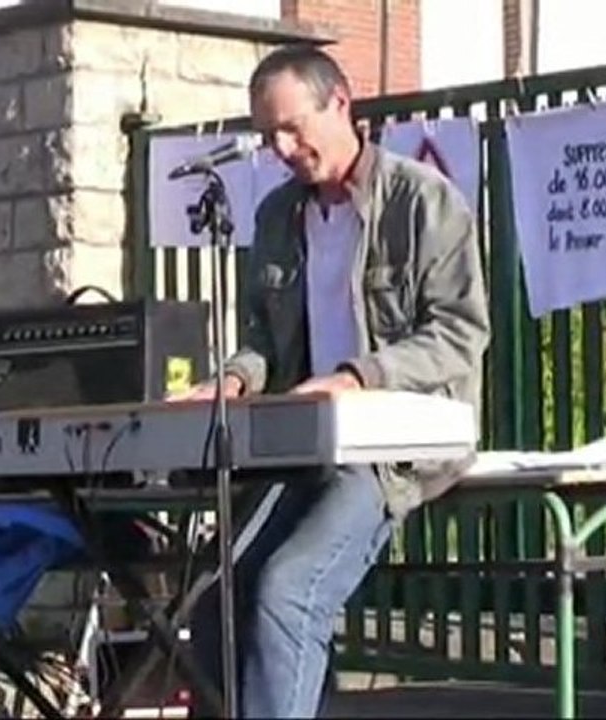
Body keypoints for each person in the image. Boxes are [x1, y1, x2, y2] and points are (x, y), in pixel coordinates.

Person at [168, 44, 490, 718]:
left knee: (290, 590)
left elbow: (461, 332)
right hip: (303, 441)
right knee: (214, 590)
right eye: (267, 135)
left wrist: (359, 375)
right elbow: (263, 339)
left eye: (292, 127)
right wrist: (231, 380)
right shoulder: (277, 216)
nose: (282, 147)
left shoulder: (423, 201)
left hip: (390, 447)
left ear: (340, 104)